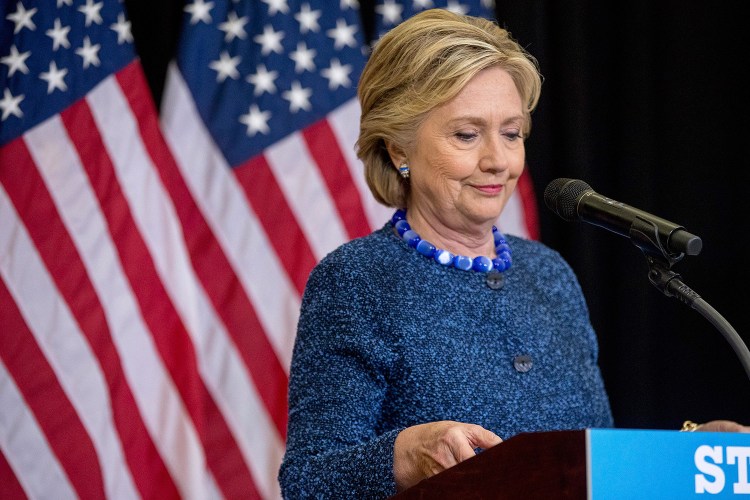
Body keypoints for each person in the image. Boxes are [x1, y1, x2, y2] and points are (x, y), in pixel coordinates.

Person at [277, 8, 748, 499]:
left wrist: (685, 452)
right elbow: (308, 480)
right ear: (399, 148)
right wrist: (400, 455)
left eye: (512, 133)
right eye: (466, 134)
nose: (498, 161)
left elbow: (587, 460)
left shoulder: (550, 274)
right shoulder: (357, 280)